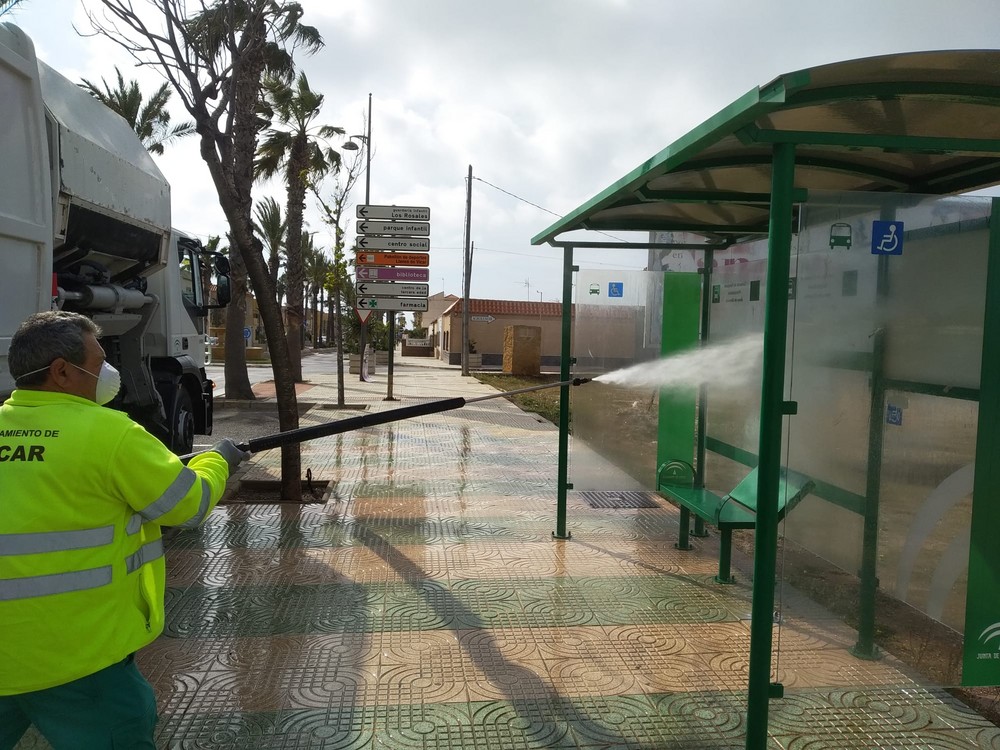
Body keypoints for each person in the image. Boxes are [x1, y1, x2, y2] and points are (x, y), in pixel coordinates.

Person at [0, 311, 249, 749]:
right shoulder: (110, 433)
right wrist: (219, 460)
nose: (108, 372)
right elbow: (187, 505)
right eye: (98, 362)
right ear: (61, 371)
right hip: (79, 659)